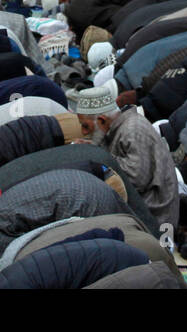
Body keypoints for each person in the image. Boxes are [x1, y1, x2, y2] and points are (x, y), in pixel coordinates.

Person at [70, 87, 179, 230]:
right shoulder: (118, 128)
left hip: (154, 219)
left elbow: (136, 179)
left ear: (102, 121)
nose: (83, 132)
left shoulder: (133, 130)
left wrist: (96, 155)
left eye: (86, 127)